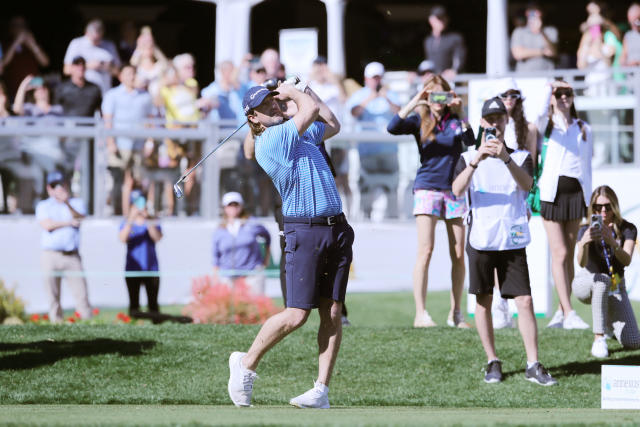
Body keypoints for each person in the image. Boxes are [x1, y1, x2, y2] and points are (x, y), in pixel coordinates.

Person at [227, 81, 352, 409]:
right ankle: (247, 362)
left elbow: (332, 123)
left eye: (274, 100)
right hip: (304, 231)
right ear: (253, 118)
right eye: (266, 104)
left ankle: (321, 391)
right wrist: (291, 90)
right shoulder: (270, 141)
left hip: (336, 229)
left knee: (333, 311)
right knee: (297, 314)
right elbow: (308, 110)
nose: (274, 105)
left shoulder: (300, 134)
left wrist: (305, 86)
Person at [452, 97, 557, 386]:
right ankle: (492, 360)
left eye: (500, 118)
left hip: (512, 239)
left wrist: (504, 158)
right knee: (483, 301)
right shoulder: (467, 157)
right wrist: (477, 159)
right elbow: (457, 190)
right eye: (490, 119)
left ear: (506, 122)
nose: (495, 123)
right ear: (482, 123)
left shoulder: (521, 156)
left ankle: (533, 363)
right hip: (481, 238)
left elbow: (527, 185)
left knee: (524, 300)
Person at [387, 74, 474, 328]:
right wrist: (416, 100)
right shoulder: (419, 119)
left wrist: (463, 112)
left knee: (458, 253)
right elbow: (393, 126)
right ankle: (420, 313)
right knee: (425, 250)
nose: (438, 100)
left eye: (442, 95)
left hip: (454, 189)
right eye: (433, 95)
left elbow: (472, 144)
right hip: (427, 188)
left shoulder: (456, 120)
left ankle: (456, 313)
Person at [538, 81, 592, 330]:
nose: (562, 98)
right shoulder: (546, 127)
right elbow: (536, 116)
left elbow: (587, 167)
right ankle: (569, 312)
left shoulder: (583, 128)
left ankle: (562, 311)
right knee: (558, 252)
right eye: (558, 94)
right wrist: (548, 90)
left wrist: (589, 201)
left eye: (567, 93)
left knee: (569, 253)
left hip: (576, 194)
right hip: (551, 194)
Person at [489, 79, 538, 329]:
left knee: (513, 247)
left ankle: (510, 300)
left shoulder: (528, 128)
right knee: (495, 245)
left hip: (517, 197)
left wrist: (529, 200)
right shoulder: (490, 126)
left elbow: (532, 166)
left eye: (514, 95)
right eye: (505, 94)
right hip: (494, 196)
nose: (510, 99)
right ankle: (500, 303)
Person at [573, 186, 640, 357]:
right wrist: (584, 244)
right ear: (592, 208)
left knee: (633, 341)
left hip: (616, 286)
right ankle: (599, 338)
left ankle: (608, 322)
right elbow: (582, 263)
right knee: (602, 280)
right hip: (586, 281)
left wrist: (613, 243)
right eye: (598, 207)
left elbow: (626, 260)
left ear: (615, 207)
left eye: (607, 206)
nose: (603, 211)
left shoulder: (627, 229)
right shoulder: (585, 229)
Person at [346, 61, 401, 220]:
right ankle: (365, 217)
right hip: (367, 151)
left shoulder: (391, 94)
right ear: (366, 78)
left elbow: (400, 113)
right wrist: (370, 98)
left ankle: (394, 218)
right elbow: (354, 112)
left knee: (392, 187)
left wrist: (386, 99)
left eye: (378, 78)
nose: (376, 81)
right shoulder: (359, 95)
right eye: (373, 78)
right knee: (365, 187)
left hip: (389, 150)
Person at [35, 171, 92, 323]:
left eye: (61, 185)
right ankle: (56, 326)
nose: (58, 189)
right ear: (49, 188)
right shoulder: (43, 205)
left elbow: (80, 217)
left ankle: (87, 326)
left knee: (82, 295)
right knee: (52, 296)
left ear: (66, 185)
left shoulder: (76, 203)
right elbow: (47, 225)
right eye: (54, 186)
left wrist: (67, 203)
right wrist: (67, 223)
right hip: (50, 256)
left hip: (72, 256)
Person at [102, 65, 154, 216]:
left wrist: (149, 141)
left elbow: (150, 121)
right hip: (120, 145)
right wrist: (110, 142)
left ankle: (139, 213)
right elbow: (108, 120)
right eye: (128, 74)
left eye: (133, 73)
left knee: (139, 181)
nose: (131, 77)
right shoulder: (112, 95)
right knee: (118, 180)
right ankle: (118, 212)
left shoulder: (144, 96)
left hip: (138, 145)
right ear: (121, 77)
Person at [211, 192, 271, 295]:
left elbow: (267, 237)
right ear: (224, 208)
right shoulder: (220, 229)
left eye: (236, 205)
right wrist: (216, 277)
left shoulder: (252, 223)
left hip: (252, 274)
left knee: (254, 308)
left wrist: (266, 259)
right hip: (228, 276)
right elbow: (215, 255)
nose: (233, 208)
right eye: (230, 205)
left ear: (241, 206)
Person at [118, 189, 163, 319]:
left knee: (153, 304)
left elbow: (157, 237)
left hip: (151, 269)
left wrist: (147, 219)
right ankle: (134, 328)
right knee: (134, 304)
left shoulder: (152, 221)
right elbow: (122, 238)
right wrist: (131, 219)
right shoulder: (127, 222)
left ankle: (157, 328)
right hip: (132, 269)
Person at [63, 19, 121, 94]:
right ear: (86, 33)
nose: (97, 41)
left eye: (99, 38)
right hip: (83, 93)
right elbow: (66, 70)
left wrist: (106, 66)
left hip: (104, 91)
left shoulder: (109, 45)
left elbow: (119, 71)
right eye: (94, 39)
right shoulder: (76, 44)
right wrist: (87, 66)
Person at [0, 16, 49, 100]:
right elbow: (3, 64)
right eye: (17, 26)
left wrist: (33, 45)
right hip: (14, 92)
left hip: (34, 93)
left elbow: (45, 63)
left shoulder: (31, 44)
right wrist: (16, 42)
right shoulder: (5, 45)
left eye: (23, 26)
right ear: (11, 28)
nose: (21, 29)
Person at [576, 10, 622, 96]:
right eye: (592, 28)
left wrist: (598, 44)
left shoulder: (608, 46)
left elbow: (609, 64)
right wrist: (586, 45)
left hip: (607, 86)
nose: (595, 31)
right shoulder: (584, 48)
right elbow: (581, 66)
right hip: (591, 87)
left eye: (598, 28)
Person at [423, 5, 466, 81]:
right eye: (438, 19)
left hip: (449, 81)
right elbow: (428, 62)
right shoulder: (428, 40)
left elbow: (459, 59)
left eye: (443, 18)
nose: (441, 21)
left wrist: (454, 70)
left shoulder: (455, 38)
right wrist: (425, 72)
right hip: (433, 81)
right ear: (431, 20)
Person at [510, 3, 557, 72]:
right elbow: (518, 54)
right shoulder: (519, 31)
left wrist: (541, 31)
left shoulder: (551, 30)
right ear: (526, 13)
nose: (534, 15)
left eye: (536, 12)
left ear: (542, 13)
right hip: (525, 76)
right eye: (531, 12)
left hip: (547, 75)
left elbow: (553, 52)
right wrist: (542, 52)